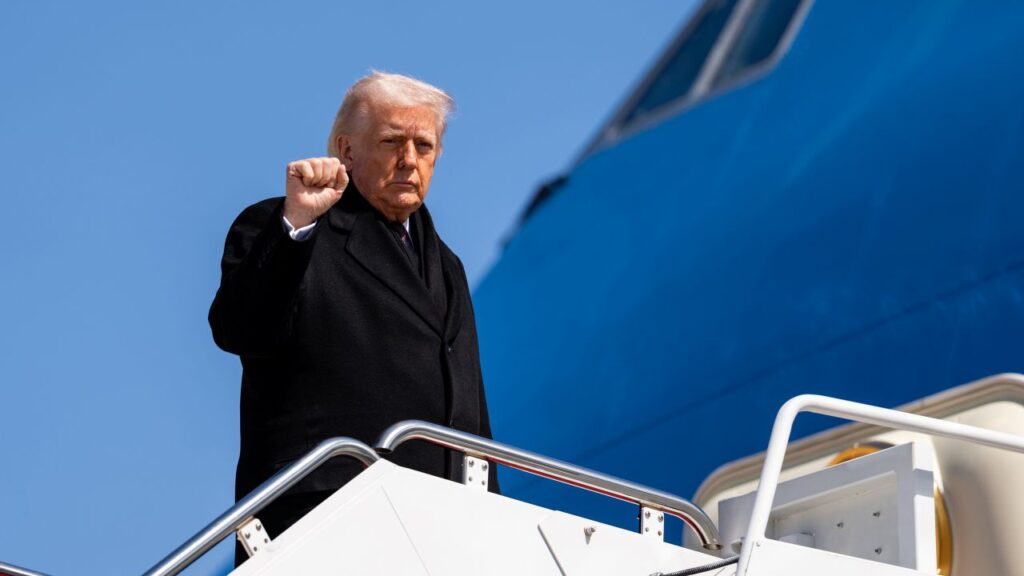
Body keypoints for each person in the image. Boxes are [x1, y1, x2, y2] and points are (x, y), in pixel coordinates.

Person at [208, 72, 499, 561]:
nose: (410, 160)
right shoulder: (289, 227)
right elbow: (239, 328)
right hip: (326, 509)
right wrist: (297, 225)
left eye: (424, 146)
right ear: (346, 150)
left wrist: (491, 519)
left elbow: (471, 412)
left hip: (444, 525)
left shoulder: (448, 267)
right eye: (391, 142)